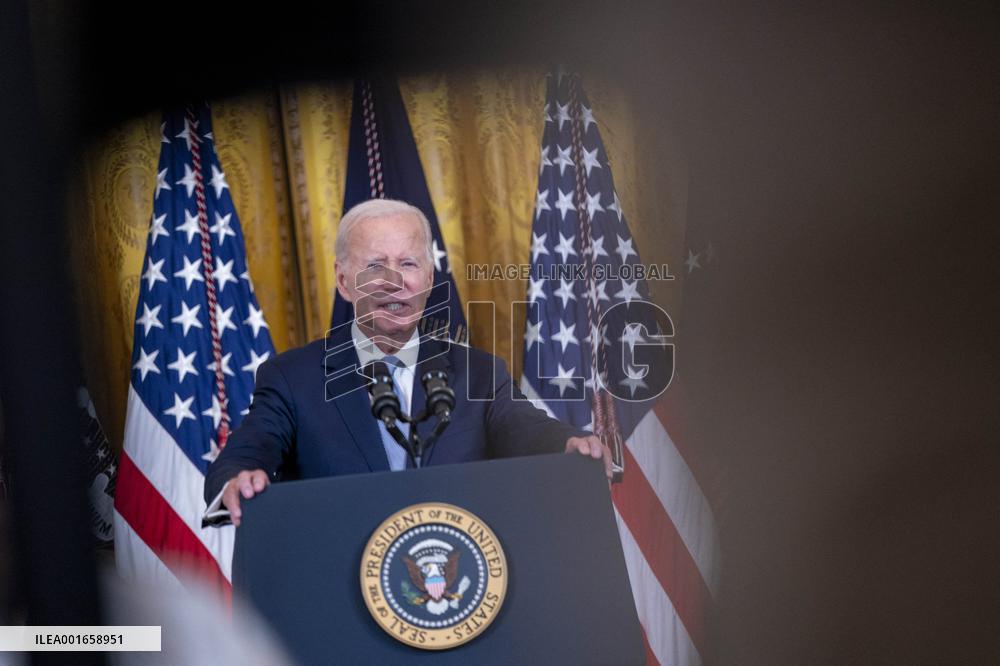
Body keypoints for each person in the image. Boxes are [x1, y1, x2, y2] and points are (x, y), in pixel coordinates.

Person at [204, 199, 611, 526]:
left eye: (408, 263)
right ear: (344, 282)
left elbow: (527, 428)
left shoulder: (480, 374)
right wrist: (236, 480)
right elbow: (246, 453)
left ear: (429, 279)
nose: (394, 281)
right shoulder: (292, 378)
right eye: (375, 266)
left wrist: (568, 443)